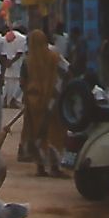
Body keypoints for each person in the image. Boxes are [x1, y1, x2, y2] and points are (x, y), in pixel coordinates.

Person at [20, 29, 69, 178]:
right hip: (53, 103)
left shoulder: (27, 61)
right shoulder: (55, 57)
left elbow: (23, 82)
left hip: (34, 103)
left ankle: (40, 167)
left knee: (37, 133)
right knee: (54, 133)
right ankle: (55, 167)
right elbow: (66, 73)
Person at [4, 27, 27, 108]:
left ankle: (5, 100)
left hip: (7, 64)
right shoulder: (22, 38)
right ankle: (13, 101)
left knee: (7, 84)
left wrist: (7, 61)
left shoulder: (6, 36)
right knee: (18, 84)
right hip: (18, 65)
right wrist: (12, 61)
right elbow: (20, 53)